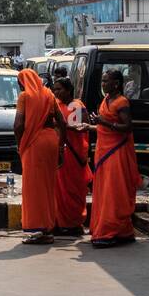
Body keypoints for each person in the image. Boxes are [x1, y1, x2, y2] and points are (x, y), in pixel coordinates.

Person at [87, 69, 140, 248]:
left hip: (116, 152)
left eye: (105, 81)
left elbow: (127, 127)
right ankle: (121, 231)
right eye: (102, 81)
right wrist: (89, 126)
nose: (103, 84)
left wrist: (104, 123)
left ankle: (110, 231)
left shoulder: (121, 102)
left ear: (116, 83)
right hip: (104, 151)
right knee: (104, 190)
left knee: (115, 191)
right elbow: (104, 128)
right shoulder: (106, 100)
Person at [14, 68, 62, 245]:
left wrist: (21, 145)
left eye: (20, 84)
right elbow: (62, 122)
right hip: (51, 141)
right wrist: (61, 147)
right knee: (48, 187)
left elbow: (18, 125)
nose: (20, 87)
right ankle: (48, 227)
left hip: (34, 144)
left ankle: (39, 229)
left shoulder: (25, 97)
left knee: (34, 189)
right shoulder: (49, 95)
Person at [53, 76, 91, 238]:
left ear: (68, 90)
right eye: (54, 89)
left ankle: (74, 223)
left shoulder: (75, 105)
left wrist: (63, 126)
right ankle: (59, 222)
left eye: (59, 89)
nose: (56, 92)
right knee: (59, 189)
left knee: (73, 189)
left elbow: (84, 127)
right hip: (60, 151)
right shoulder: (56, 104)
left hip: (73, 152)